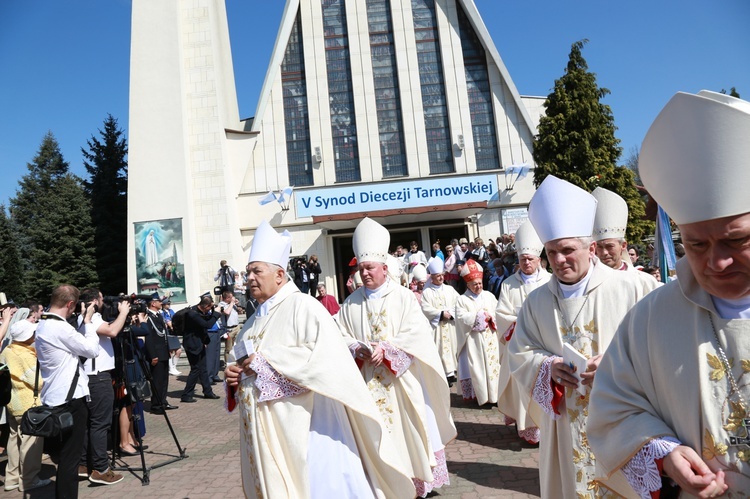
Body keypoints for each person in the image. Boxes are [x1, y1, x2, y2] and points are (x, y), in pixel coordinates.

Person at [588, 90, 750, 497]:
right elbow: (613, 406)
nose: (716, 263)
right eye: (696, 244)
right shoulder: (650, 318)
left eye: (736, 241)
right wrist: (664, 451)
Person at [224, 220, 415, 498]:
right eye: (248, 272)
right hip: (266, 426)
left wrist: (265, 362)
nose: (249, 278)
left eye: (256, 271)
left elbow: (325, 357)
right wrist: (234, 373)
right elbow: (240, 359)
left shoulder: (304, 306)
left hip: (312, 425)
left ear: (279, 275)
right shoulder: (252, 321)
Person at [507, 176, 650, 498]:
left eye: (568, 250)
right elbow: (520, 352)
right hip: (565, 420)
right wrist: (548, 366)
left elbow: (661, 348)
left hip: (623, 417)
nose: (559, 260)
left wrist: (616, 363)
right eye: (552, 251)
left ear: (592, 248)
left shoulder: (635, 288)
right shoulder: (536, 301)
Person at [338, 217, 456, 497]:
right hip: (367, 384)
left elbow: (416, 334)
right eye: (361, 269)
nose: (364, 274)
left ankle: (412, 480)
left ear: (383, 268)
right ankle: (384, 483)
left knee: (407, 432)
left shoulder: (403, 297)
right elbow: (340, 335)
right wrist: (357, 348)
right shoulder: (350, 303)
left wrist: (387, 350)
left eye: (370, 268)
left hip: (401, 383)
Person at [35, 285, 100, 499]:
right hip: (71, 401)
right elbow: (91, 350)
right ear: (71, 304)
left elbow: (74, 346)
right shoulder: (60, 328)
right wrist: (88, 322)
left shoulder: (44, 323)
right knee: (70, 460)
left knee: (64, 456)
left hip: (55, 397)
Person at [495, 221, 550, 445]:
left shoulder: (550, 281)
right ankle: (526, 425)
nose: (526, 262)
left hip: (545, 344)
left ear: (538, 259)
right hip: (519, 346)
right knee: (522, 388)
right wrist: (522, 321)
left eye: (530, 258)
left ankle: (546, 426)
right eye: (522, 259)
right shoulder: (509, 284)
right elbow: (502, 313)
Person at [76, 288, 131, 485]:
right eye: (101, 297)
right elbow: (113, 331)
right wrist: (123, 312)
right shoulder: (92, 317)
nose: (104, 300)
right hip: (98, 378)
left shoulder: (82, 318)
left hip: (91, 376)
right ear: (96, 301)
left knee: (88, 424)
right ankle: (100, 469)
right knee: (100, 424)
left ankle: (83, 465)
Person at [0, 321, 51, 492]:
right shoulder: (26, 355)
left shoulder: (7, 350)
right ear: (27, 336)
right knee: (31, 444)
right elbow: (37, 382)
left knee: (13, 440)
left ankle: (11, 478)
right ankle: (29, 480)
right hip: (29, 403)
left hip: (12, 403)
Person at [591, 186, 661, 294]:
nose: (604, 253)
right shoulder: (588, 282)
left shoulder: (644, 282)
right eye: (599, 247)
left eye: (610, 246)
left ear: (623, 246)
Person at [455, 258, 500, 405]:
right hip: (474, 341)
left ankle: (496, 396)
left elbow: (498, 312)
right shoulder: (462, 300)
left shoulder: (489, 296)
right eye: (475, 284)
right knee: (479, 368)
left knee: (494, 367)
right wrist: (480, 316)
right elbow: (461, 318)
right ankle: (482, 397)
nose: (478, 286)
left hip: (491, 338)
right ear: (467, 284)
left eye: (480, 283)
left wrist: (491, 317)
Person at [131, 293, 177, 415]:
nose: (161, 303)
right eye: (159, 301)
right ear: (153, 303)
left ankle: (162, 401)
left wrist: (168, 349)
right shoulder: (149, 317)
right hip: (156, 353)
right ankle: (156, 405)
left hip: (163, 352)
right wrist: (153, 355)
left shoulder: (158, 316)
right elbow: (149, 337)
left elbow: (163, 335)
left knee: (164, 380)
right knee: (157, 380)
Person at [420, 257, 459, 385]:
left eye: (442, 275)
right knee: (440, 349)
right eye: (438, 276)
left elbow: (458, 303)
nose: (441, 278)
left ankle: (452, 372)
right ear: (432, 277)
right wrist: (441, 314)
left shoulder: (450, 289)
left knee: (452, 348)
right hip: (436, 327)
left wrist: (451, 313)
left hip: (450, 325)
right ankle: (443, 374)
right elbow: (425, 308)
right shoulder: (427, 292)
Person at [180, 294, 222, 403]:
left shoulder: (200, 312)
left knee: (203, 369)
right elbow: (206, 324)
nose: (210, 310)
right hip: (192, 345)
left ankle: (208, 392)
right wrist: (216, 314)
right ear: (205, 306)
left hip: (200, 343)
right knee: (195, 369)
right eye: (210, 307)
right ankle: (186, 395)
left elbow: (205, 321)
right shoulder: (192, 313)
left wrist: (205, 341)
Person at [160, 298, 182, 376]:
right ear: (163, 305)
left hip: (173, 333)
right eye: (167, 304)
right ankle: (171, 368)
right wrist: (172, 325)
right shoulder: (161, 312)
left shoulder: (171, 311)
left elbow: (176, 318)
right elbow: (167, 321)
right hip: (168, 332)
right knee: (170, 351)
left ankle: (174, 366)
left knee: (178, 350)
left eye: (169, 304)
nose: (169, 305)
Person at [218, 291, 239, 367]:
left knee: (236, 346)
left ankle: (236, 362)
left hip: (236, 327)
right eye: (231, 297)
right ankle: (228, 364)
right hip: (228, 329)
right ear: (227, 298)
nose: (232, 298)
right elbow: (227, 312)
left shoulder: (231, 304)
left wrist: (236, 303)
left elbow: (238, 310)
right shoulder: (221, 305)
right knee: (228, 349)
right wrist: (232, 303)